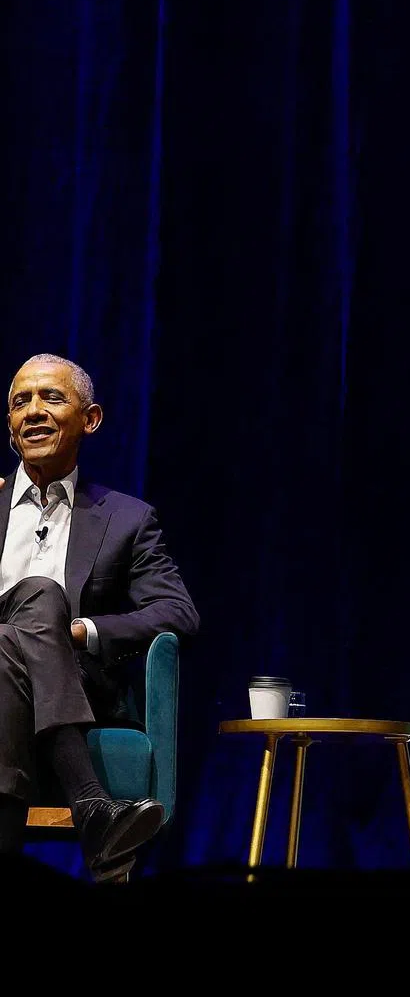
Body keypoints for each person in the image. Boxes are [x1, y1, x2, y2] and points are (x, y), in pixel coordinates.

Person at [0, 353, 199, 881]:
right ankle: (93, 808)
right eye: (21, 402)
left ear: (90, 419)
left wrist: (85, 631)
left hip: (78, 689)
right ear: (9, 425)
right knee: (25, 611)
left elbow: (178, 612)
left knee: (34, 607)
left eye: (52, 398)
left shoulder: (126, 519)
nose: (34, 412)